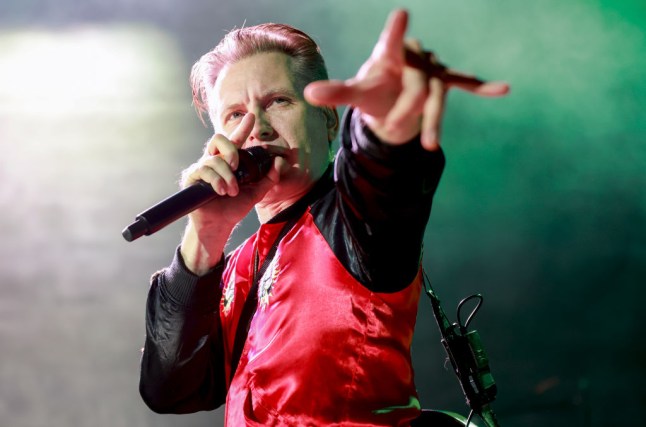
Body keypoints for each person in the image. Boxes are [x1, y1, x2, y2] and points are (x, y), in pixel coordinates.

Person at [138, 9, 509, 426]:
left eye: (278, 101)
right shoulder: (235, 268)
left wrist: (382, 120)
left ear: (328, 120)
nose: (257, 128)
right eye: (235, 115)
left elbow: (379, 172)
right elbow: (170, 389)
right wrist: (204, 239)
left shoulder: (352, 220)